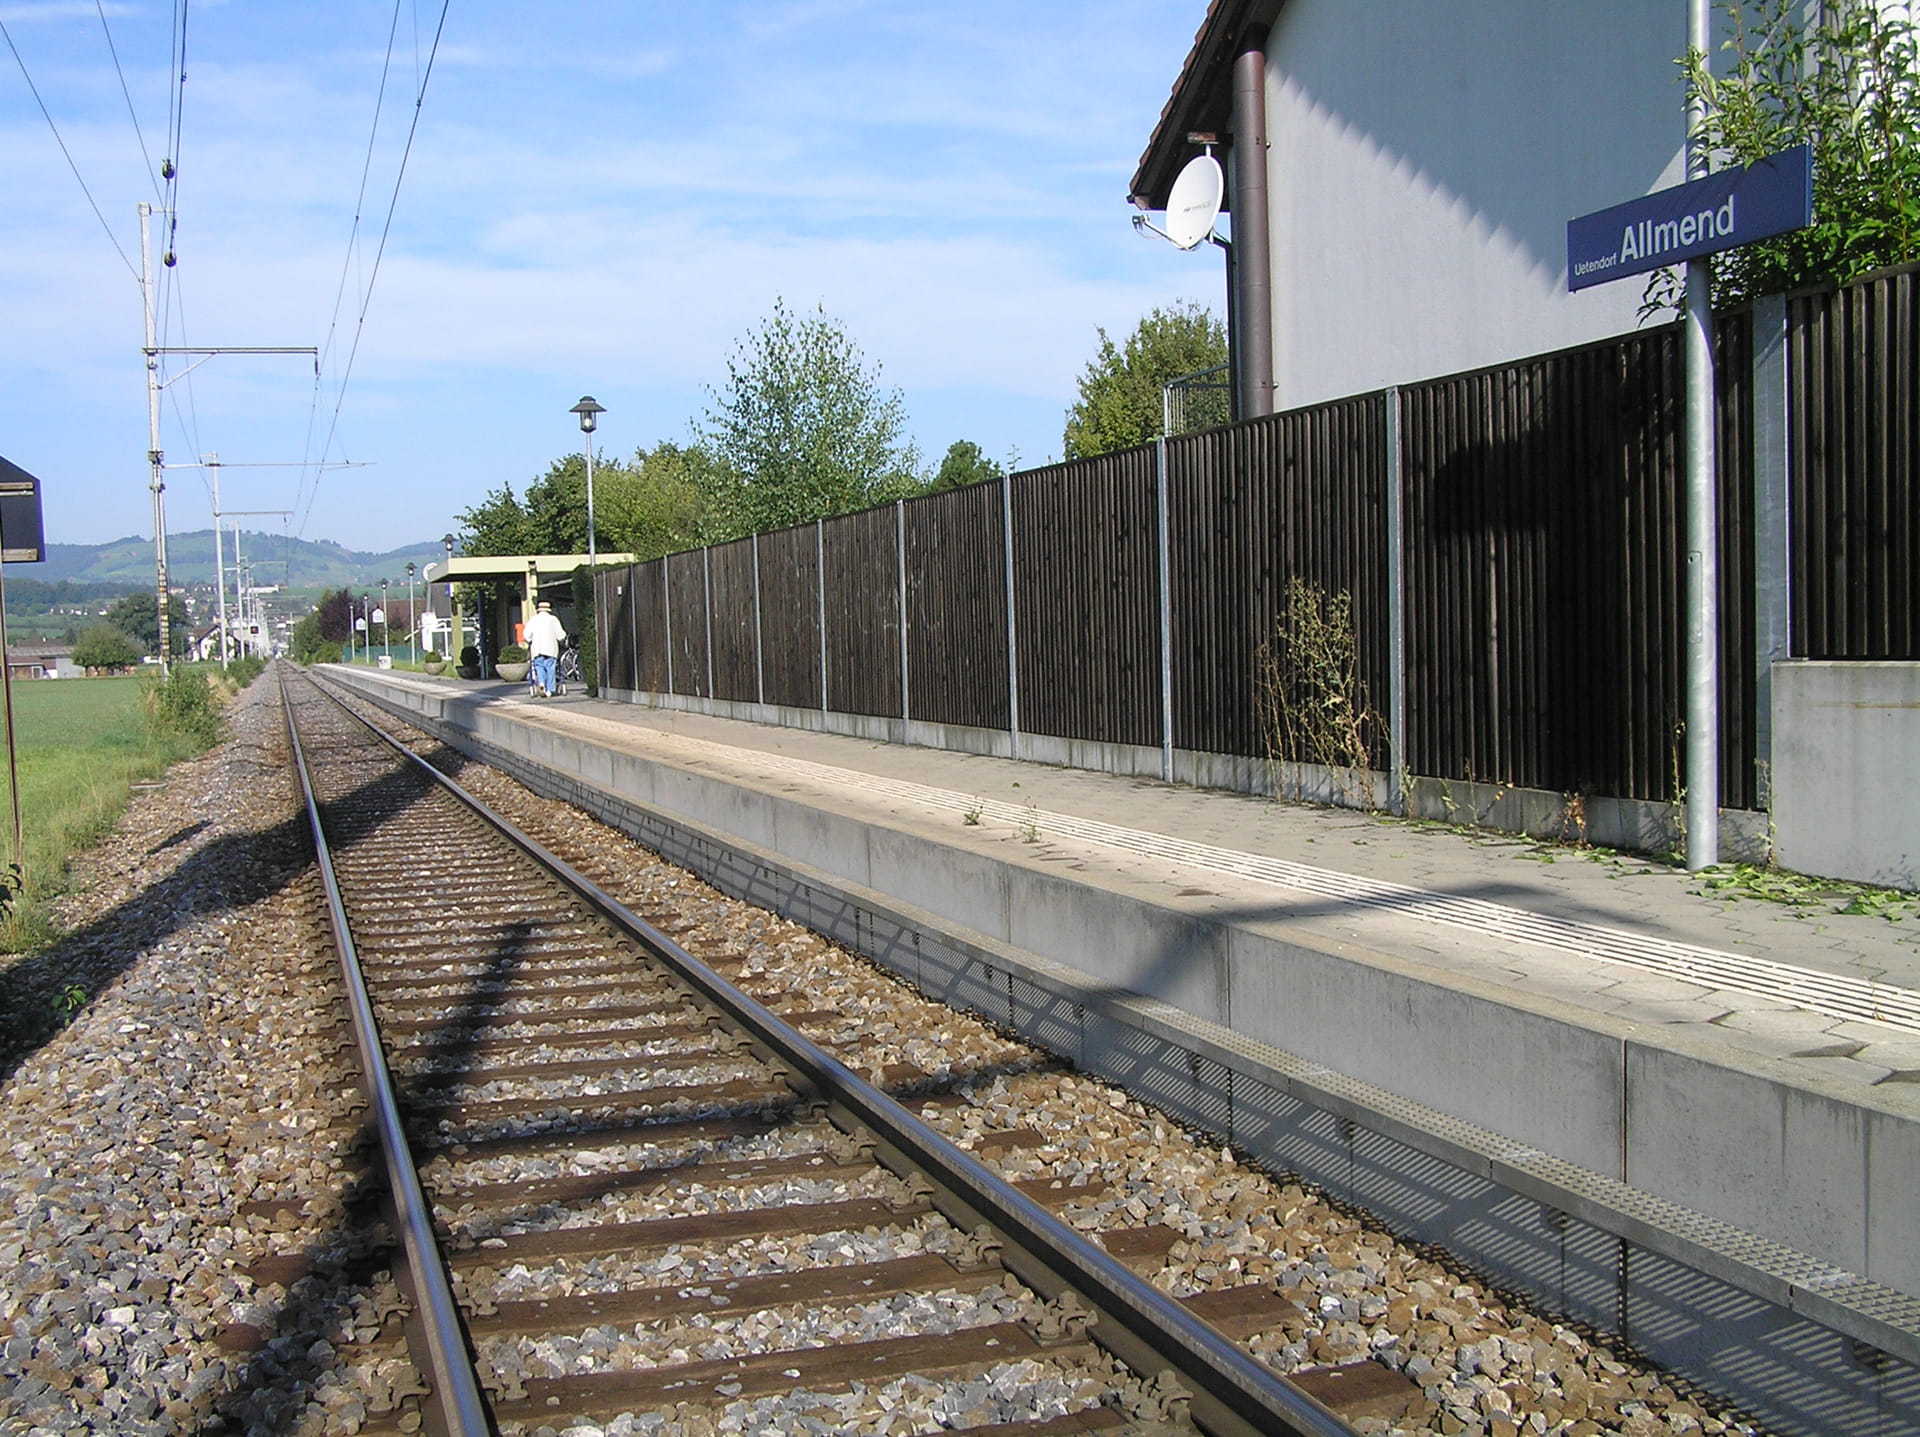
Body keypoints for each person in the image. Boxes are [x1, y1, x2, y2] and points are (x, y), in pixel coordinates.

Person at [524, 599, 567, 698]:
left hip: (537, 648)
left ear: (539, 609)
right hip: (550, 648)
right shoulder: (553, 619)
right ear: (549, 610)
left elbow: (526, 635)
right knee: (550, 669)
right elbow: (561, 635)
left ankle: (542, 682)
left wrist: (530, 640)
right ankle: (550, 690)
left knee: (539, 667)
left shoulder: (533, 619)